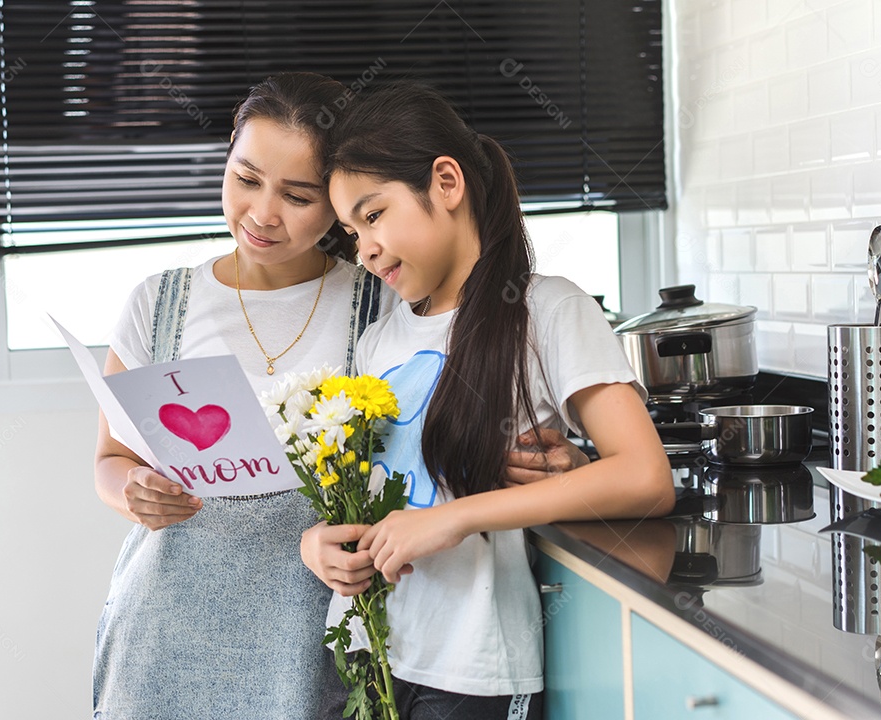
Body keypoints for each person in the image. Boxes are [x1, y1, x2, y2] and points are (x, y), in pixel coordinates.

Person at [91, 72, 585, 720]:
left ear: (339, 201)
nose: (264, 213)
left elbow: (449, 423)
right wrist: (131, 490)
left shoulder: (384, 300)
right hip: (164, 629)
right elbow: (109, 459)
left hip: (314, 630)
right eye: (245, 178)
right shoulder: (157, 302)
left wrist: (557, 457)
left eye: (298, 195)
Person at [310, 82, 676, 719]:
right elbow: (374, 495)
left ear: (445, 183)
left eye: (373, 215)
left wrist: (459, 515)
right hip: (371, 654)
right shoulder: (377, 342)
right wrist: (319, 543)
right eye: (349, 231)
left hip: (472, 668)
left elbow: (645, 477)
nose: (362, 249)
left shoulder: (550, 309)